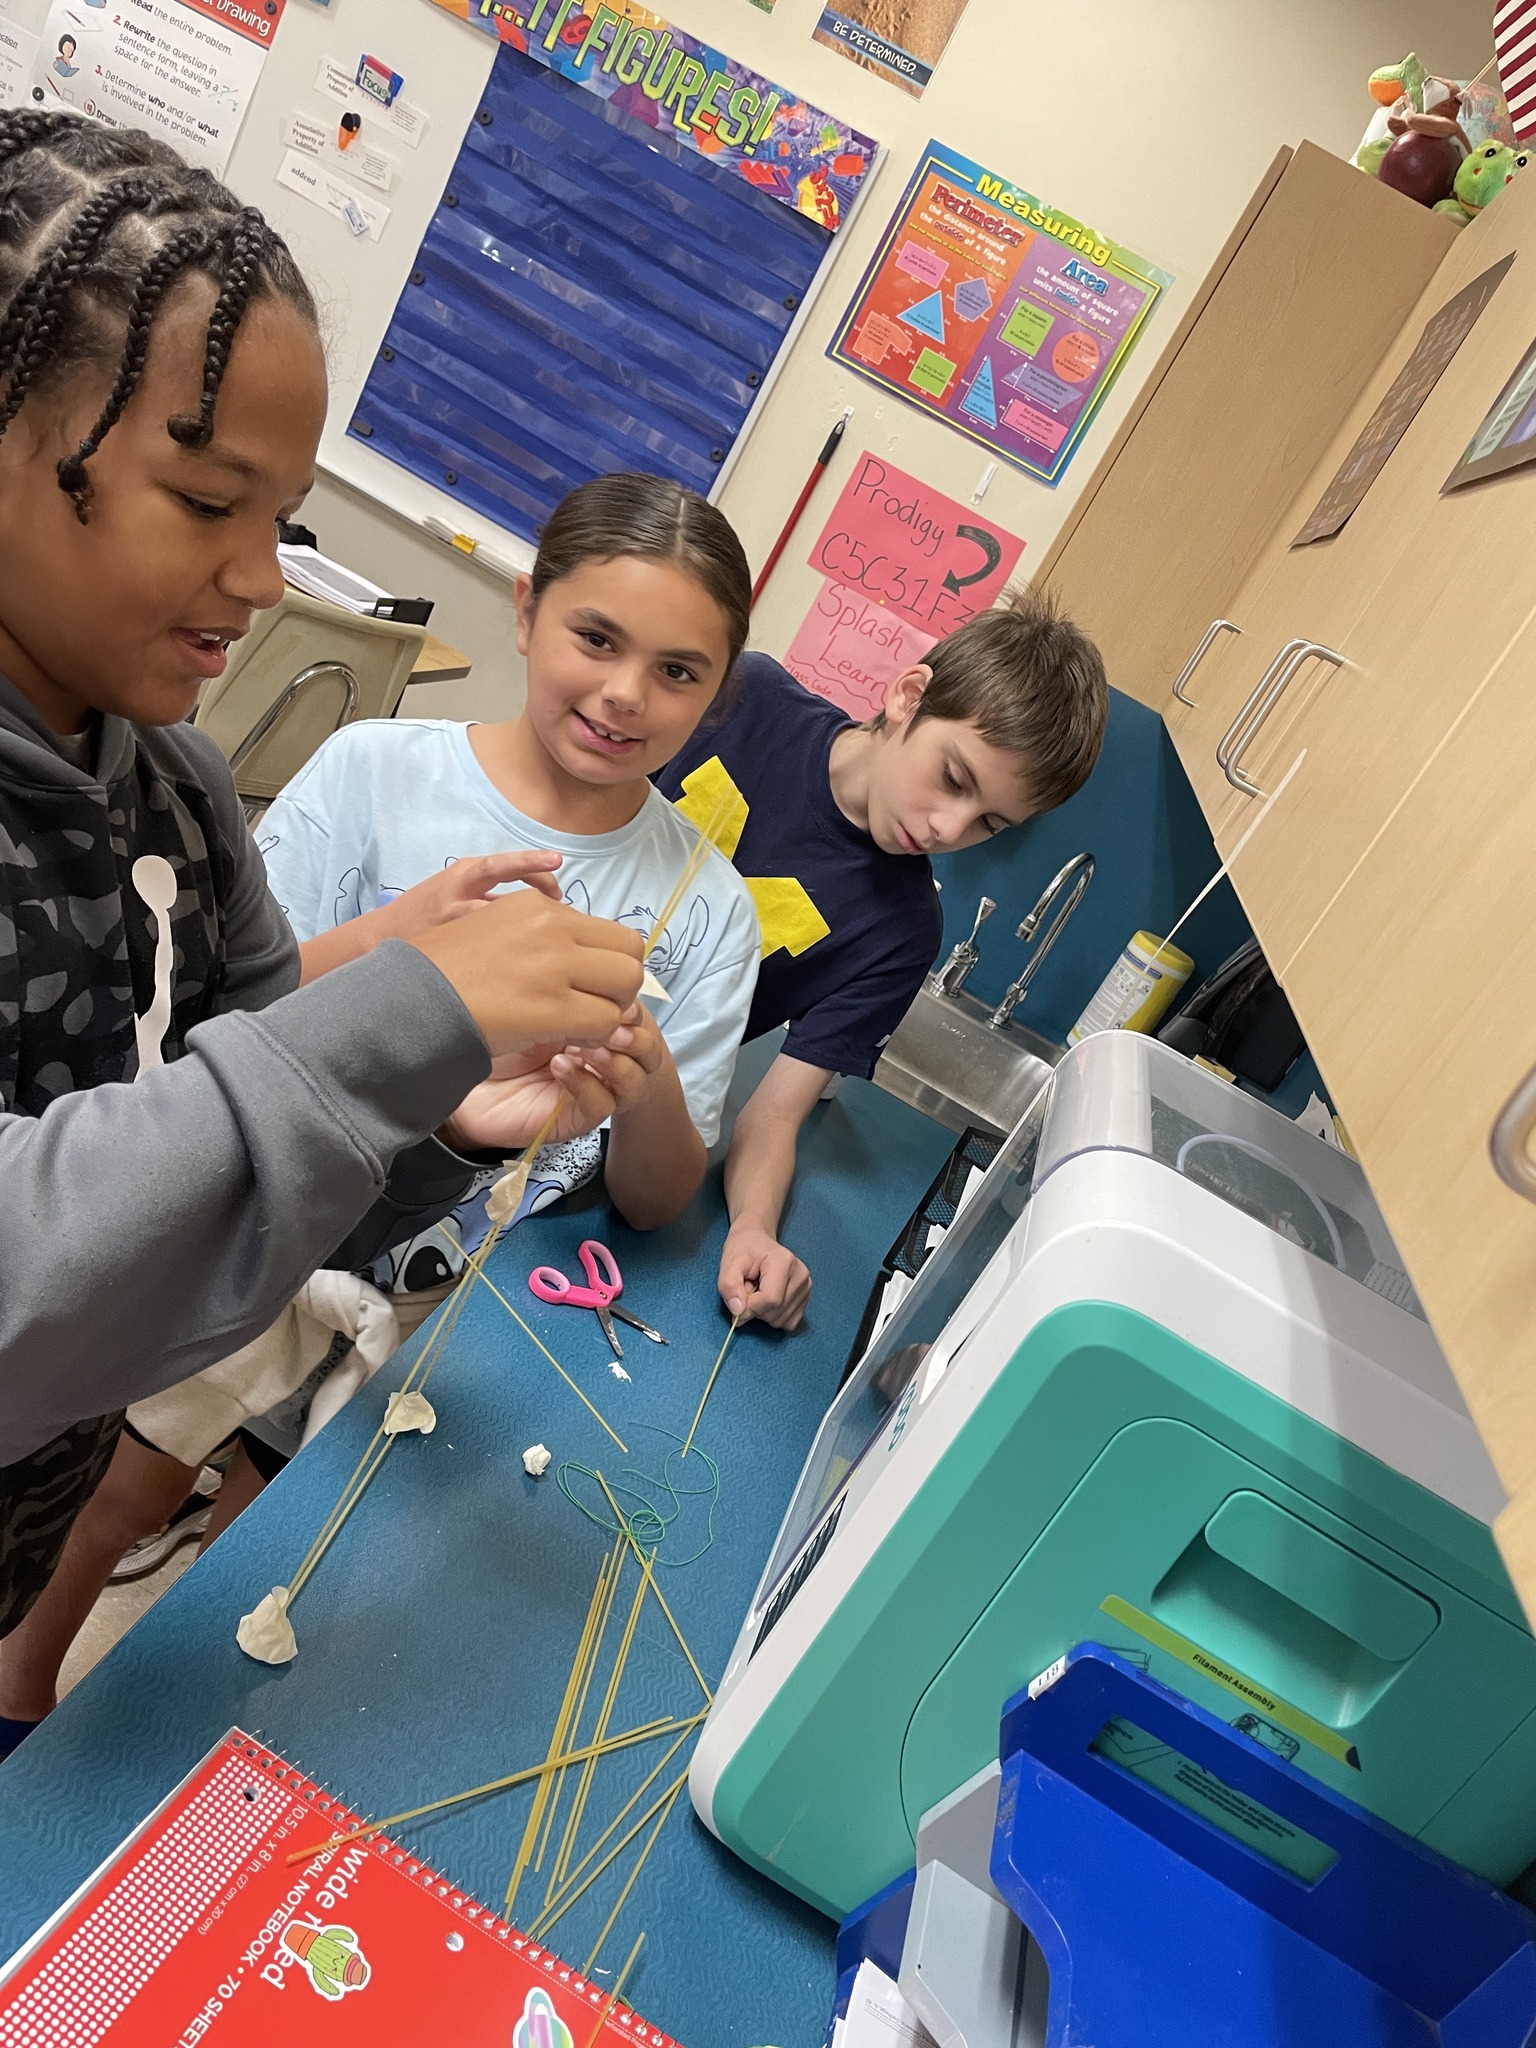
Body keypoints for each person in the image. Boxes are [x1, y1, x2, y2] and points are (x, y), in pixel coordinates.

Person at [0, 112, 645, 1725]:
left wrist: (442, 1122)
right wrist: (397, 1021)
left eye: (277, 511)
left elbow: (250, 1187)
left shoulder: (182, 797)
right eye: (205, 497)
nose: (261, 572)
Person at [655, 589, 1109, 1331]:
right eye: (954, 778)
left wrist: (753, 1230)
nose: (949, 827)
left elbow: (773, 1117)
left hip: (618, 1111)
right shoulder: (745, 698)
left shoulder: (898, 931)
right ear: (908, 696)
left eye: (990, 821)